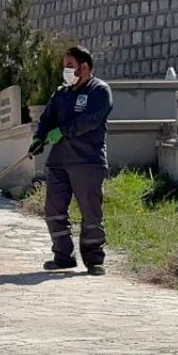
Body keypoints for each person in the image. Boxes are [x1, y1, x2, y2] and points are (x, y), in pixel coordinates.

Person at [28, 46, 113, 276]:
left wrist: (63, 131)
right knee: (54, 211)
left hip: (87, 162)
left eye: (69, 65)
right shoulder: (61, 94)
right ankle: (63, 256)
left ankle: (94, 259)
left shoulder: (99, 91)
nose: (65, 71)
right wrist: (39, 138)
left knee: (91, 212)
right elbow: (47, 119)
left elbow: (91, 120)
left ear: (84, 67)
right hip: (58, 163)